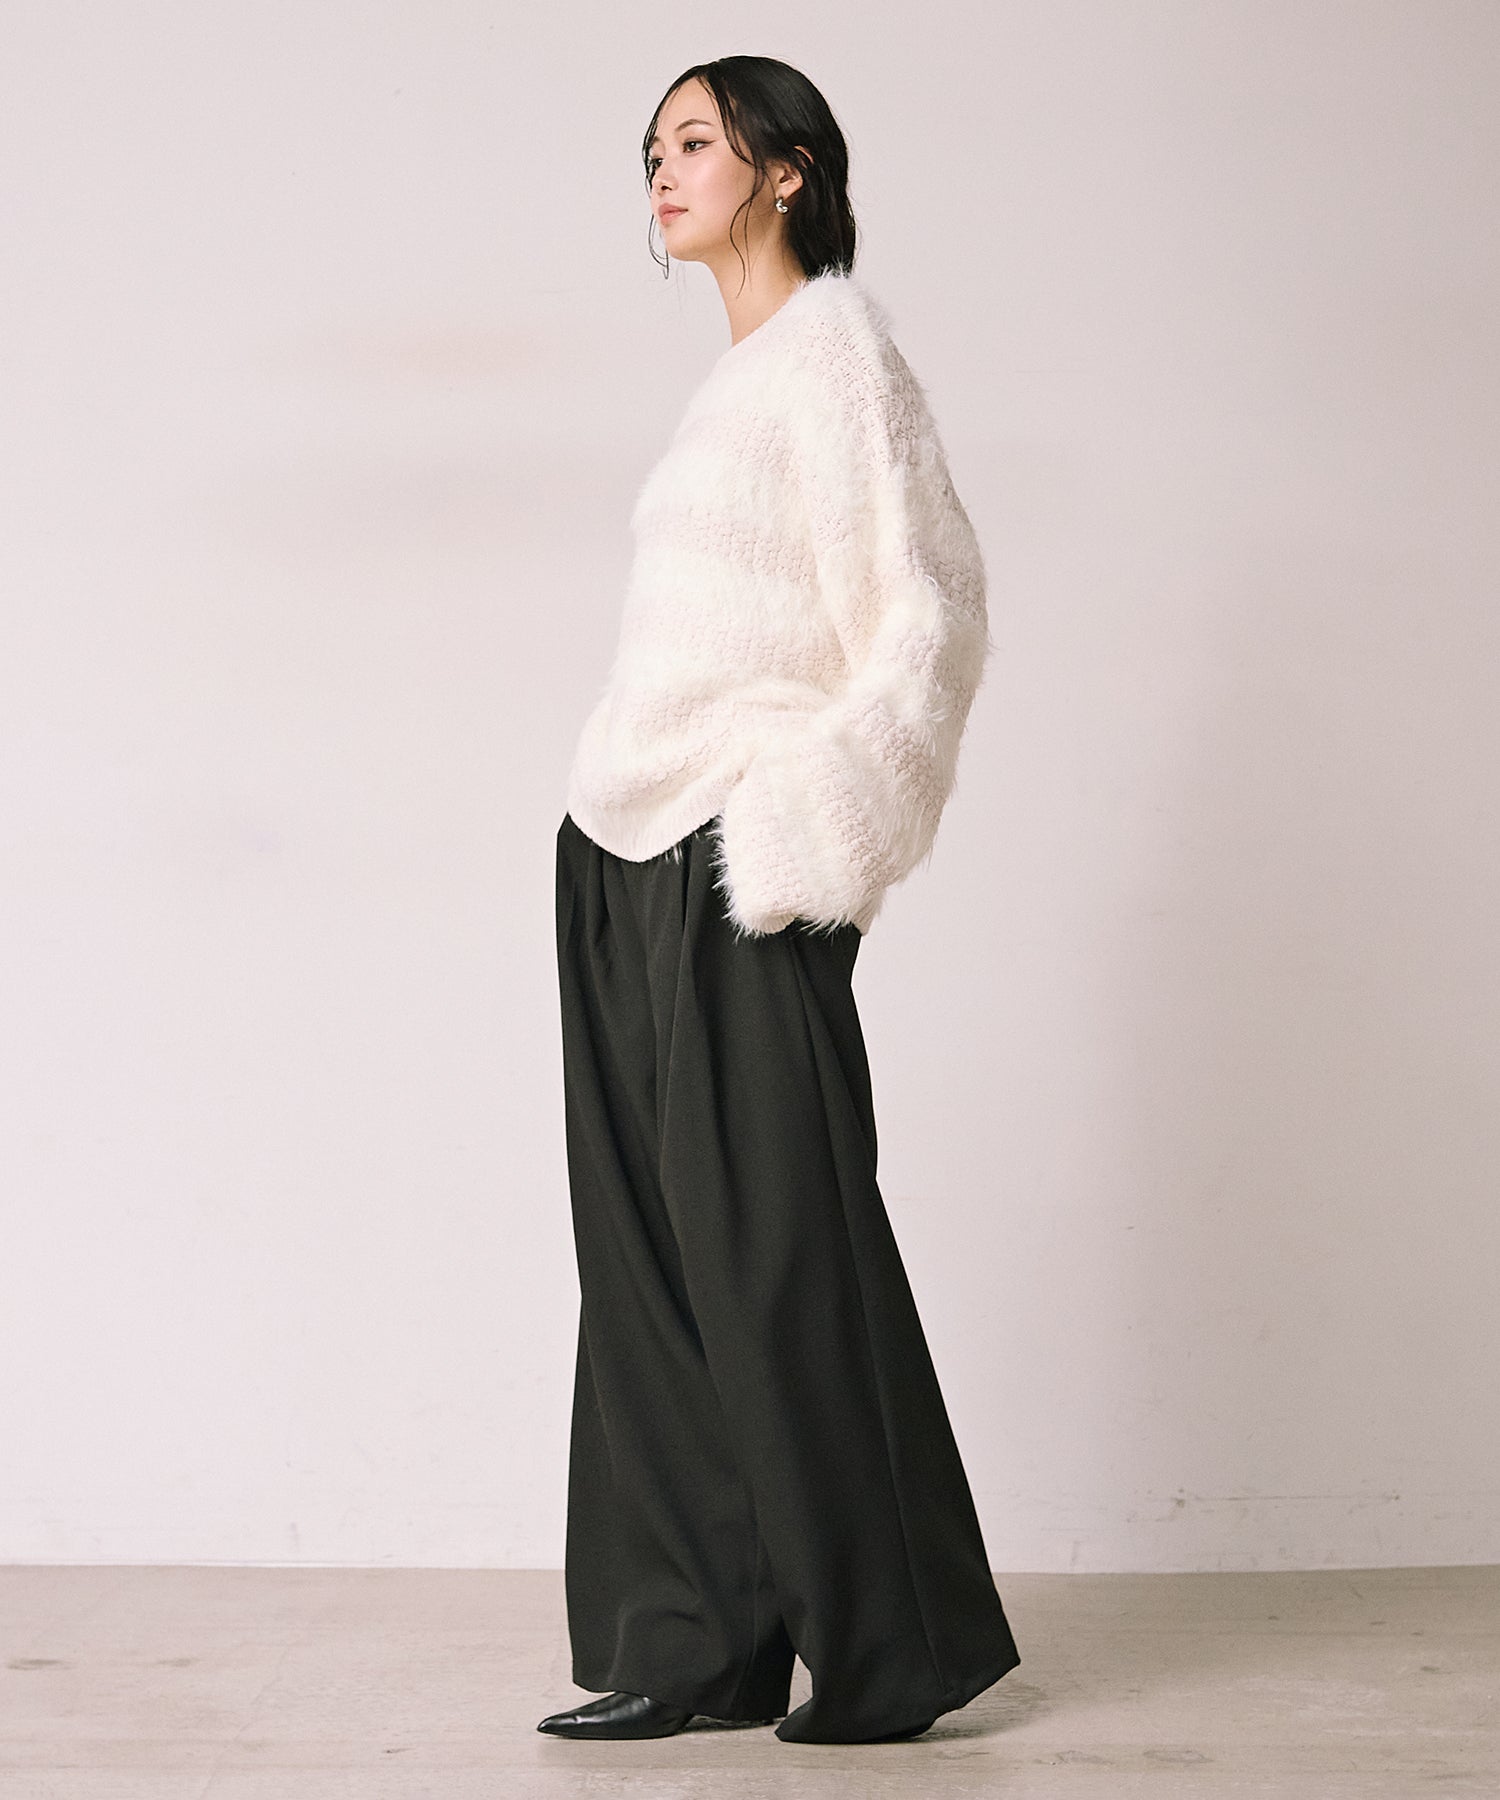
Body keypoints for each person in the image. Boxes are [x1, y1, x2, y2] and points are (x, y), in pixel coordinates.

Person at [540, 56, 1021, 1746]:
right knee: (653, 1273)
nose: (661, 173)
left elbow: (932, 612)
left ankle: (893, 1651)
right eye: (651, 151)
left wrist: (804, 837)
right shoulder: (734, 385)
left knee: (782, 1255)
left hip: (737, 860)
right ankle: (700, 1646)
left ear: (788, 169)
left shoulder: (836, 355)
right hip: (624, 845)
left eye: (695, 142)